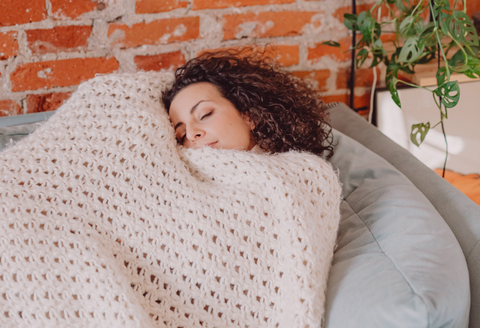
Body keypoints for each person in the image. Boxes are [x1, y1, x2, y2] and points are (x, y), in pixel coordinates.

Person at [162, 48, 334, 158]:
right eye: (182, 135)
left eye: (204, 114)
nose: (192, 134)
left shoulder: (303, 169)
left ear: (250, 116)